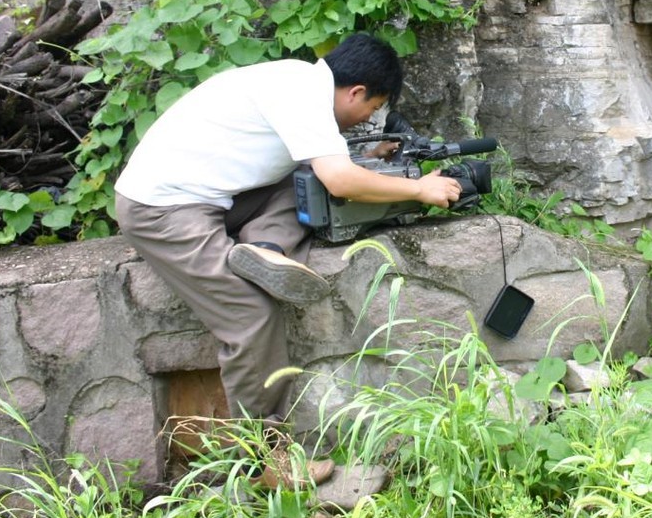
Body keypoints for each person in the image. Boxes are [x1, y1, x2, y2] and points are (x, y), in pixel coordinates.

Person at [114, 33, 462, 432]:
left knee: (305, 184)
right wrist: (420, 189)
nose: (370, 118)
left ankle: (264, 248)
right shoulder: (303, 95)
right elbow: (341, 182)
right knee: (250, 315)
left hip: (208, 196)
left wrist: (365, 158)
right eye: (374, 107)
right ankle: (263, 458)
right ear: (357, 92)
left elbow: (325, 169)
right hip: (162, 210)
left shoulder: (296, 80)